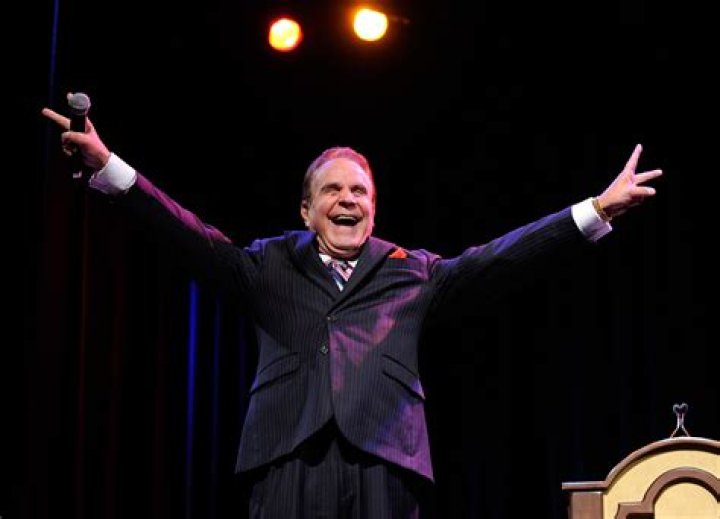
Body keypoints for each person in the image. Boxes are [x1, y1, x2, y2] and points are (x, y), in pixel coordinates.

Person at [42, 95, 662, 518]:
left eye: (359, 191)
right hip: (288, 458)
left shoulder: (412, 271)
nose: (348, 199)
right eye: (332, 190)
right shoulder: (267, 265)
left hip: (385, 462)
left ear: (374, 207)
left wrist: (596, 210)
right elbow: (186, 234)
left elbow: (499, 260)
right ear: (307, 211)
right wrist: (109, 168)